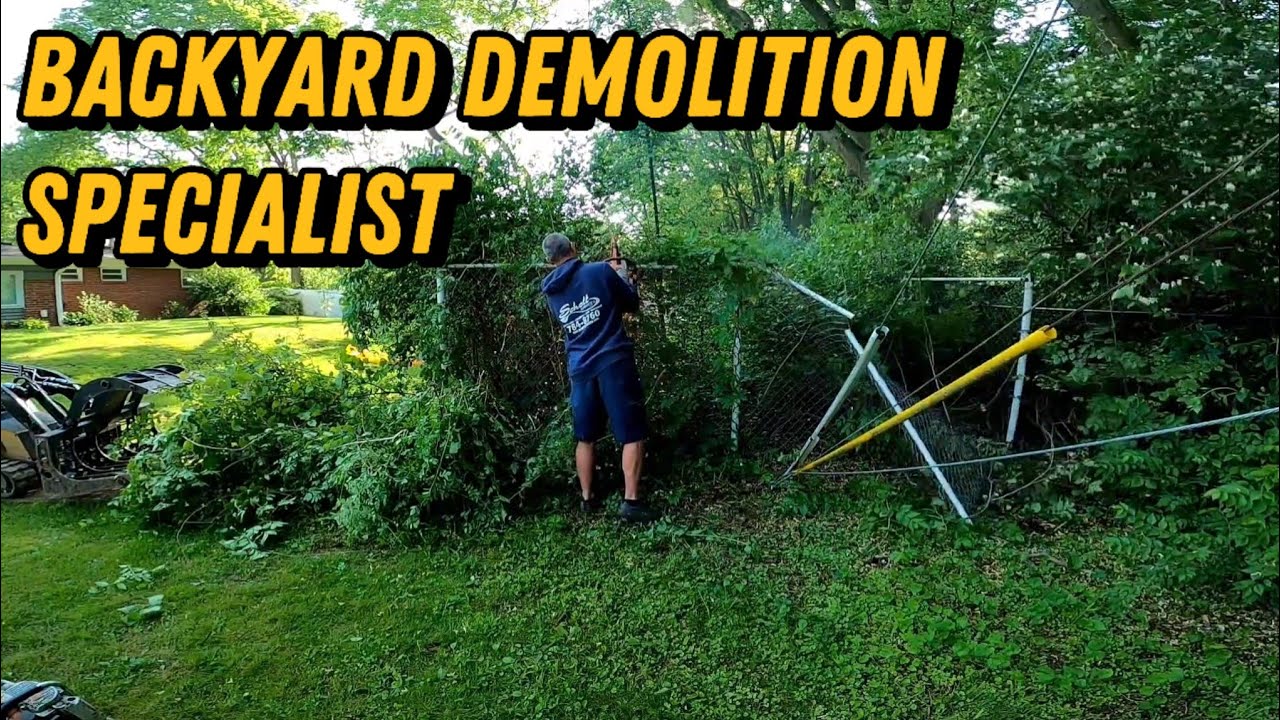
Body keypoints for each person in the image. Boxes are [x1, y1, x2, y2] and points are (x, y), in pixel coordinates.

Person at [540, 232, 660, 523]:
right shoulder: (600, 271)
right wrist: (624, 277)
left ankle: (587, 499)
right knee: (632, 433)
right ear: (574, 248)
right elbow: (630, 303)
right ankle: (631, 502)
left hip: (580, 367)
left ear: (550, 261)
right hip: (613, 361)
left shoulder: (550, 291)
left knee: (585, 437)